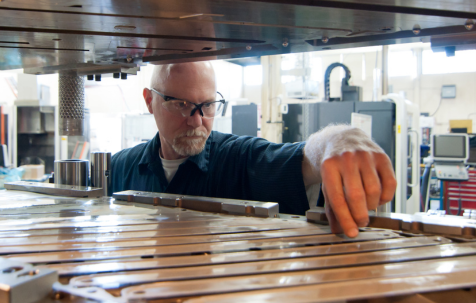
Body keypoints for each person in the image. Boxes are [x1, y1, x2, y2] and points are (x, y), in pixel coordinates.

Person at [111, 62, 397, 238]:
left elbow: (300, 158)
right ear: (150, 101)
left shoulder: (238, 159)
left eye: (207, 105)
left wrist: (340, 139)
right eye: (181, 104)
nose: (197, 120)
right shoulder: (120, 168)